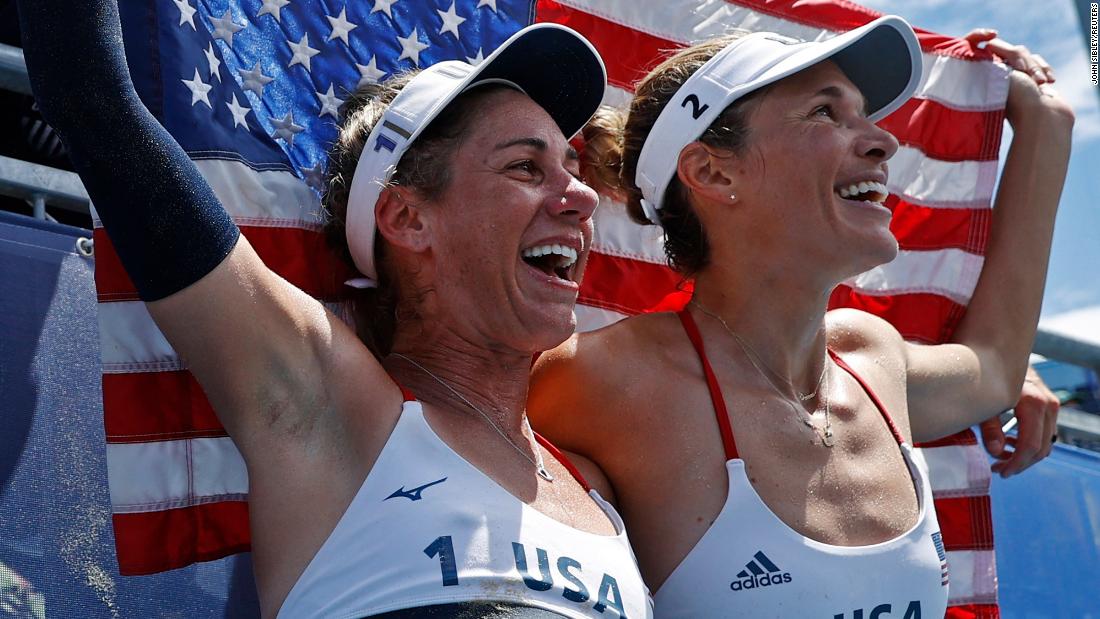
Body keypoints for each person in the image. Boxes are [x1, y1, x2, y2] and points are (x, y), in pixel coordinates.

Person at [16, 1, 654, 617]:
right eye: (524, 167)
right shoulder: (330, 409)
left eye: (571, 168)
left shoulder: (597, 483)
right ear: (406, 219)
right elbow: (90, 100)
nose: (581, 197)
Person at [529, 15, 1073, 617]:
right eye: (824, 112)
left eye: (864, 114)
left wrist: (1047, 129)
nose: (882, 141)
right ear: (712, 171)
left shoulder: (873, 359)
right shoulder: (594, 383)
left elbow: (995, 368)